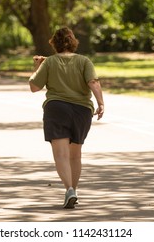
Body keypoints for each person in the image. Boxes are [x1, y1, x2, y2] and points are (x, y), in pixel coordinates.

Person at [29, 27, 104, 209]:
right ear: (73, 42)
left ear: (54, 43)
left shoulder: (49, 62)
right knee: (75, 155)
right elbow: (93, 82)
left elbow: (34, 86)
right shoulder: (84, 61)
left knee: (61, 155)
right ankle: (74, 191)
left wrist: (37, 66)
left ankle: (69, 189)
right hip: (82, 111)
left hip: (57, 109)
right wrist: (101, 103)